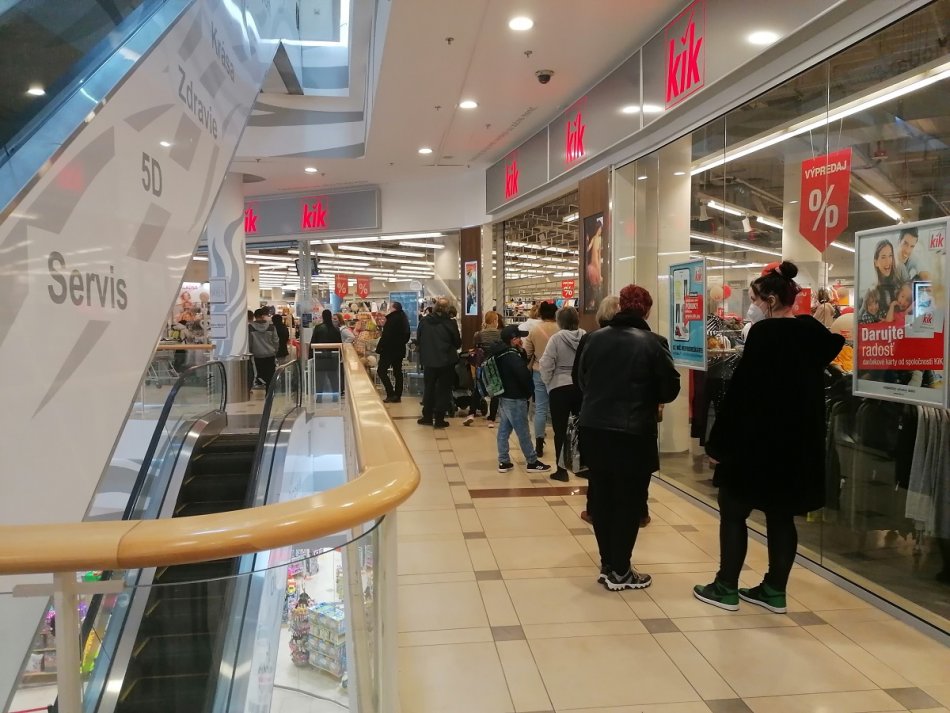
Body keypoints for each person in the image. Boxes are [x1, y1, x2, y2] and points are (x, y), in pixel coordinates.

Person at [693, 261, 844, 613]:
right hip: (794, 446)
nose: (752, 306)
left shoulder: (764, 336)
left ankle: (726, 586)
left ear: (771, 300)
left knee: (733, 509)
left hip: (755, 444)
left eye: (755, 299)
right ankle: (775, 590)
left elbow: (743, 395)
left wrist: (719, 444)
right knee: (781, 516)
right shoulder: (812, 337)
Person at [577, 285, 680, 591]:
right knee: (629, 501)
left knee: (601, 497)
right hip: (633, 433)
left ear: (621, 306)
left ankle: (609, 564)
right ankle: (621, 570)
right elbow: (669, 390)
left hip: (594, 429)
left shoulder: (592, 339)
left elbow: (580, 381)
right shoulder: (654, 343)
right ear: (647, 310)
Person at [572, 295, 620, 524]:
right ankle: (639, 511)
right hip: (630, 416)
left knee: (598, 468)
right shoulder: (645, 339)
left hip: (596, 413)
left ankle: (594, 510)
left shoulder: (591, 339)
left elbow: (578, 376)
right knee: (630, 469)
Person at [493, 325, 551, 473]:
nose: (522, 340)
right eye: (519, 338)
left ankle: (504, 461)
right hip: (516, 397)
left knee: (504, 430)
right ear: (513, 339)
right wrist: (529, 392)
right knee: (523, 431)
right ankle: (532, 461)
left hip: (505, 396)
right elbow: (523, 375)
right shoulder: (513, 356)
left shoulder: (501, 353)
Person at [539, 306, 585, 482]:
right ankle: (581, 466)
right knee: (580, 427)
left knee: (560, 429)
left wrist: (548, 381)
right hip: (580, 387)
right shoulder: (585, 336)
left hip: (559, 387)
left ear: (559, 321)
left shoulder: (556, 339)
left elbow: (546, 363)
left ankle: (561, 469)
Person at [416, 297, 461, 428]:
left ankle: (427, 416)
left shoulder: (424, 321)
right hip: (446, 361)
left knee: (429, 388)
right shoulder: (450, 323)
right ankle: (439, 419)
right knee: (443, 389)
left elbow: (419, 339)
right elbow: (457, 343)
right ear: (448, 309)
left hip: (429, 361)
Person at [524, 301, 559, 457]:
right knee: (559, 408)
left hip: (539, 371)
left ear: (541, 313)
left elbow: (527, 352)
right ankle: (561, 442)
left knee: (540, 408)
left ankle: (539, 444)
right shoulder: (561, 329)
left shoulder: (534, 330)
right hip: (558, 373)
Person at [464, 310, 504, 426]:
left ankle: (471, 414)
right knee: (495, 392)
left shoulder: (478, 334)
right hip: (495, 365)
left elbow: (475, 349)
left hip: (482, 365)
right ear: (495, 321)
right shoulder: (500, 335)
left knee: (477, 390)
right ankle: (491, 419)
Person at [376, 302, 411, 403]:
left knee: (381, 371)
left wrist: (379, 348)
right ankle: (397, 395)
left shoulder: (392, 319)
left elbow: (386, 336)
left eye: (389, 307)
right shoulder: (403, 318)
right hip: (399, 350)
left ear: (393, 308)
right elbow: (407, 335)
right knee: (397, 372)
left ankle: (390, 393)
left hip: (388, 350)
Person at [310, 309, 343, 396]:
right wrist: (340, 356)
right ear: (330, 317)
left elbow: (313, 342)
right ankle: (335, 396)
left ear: (323, 317)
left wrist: (311, 356)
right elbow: (339, 343)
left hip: (320, 357)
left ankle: (319, 397)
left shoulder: (318, 328)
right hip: (333, 357)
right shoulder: (336, 329)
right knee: (333, 377)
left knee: (320, 378)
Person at [248, 308, 279, 387]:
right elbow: (276, 340)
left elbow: (249, 342)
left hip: (257, 355)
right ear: (263, 316)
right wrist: (275, 350)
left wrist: (250, 352)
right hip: (270, 354)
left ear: (255, 316)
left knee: (260, 374)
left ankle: (260, 383)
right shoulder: (271, 326)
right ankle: (269, 392)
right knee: (270, 376)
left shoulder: (250, 327)